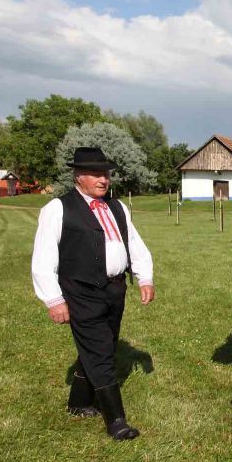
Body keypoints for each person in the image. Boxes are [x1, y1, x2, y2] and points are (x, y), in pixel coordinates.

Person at [31, 147, 154, 440]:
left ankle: (78, 402)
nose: (104, 180)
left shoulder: (118, 207)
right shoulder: (58, 209)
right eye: (96, 174)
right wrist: (53, 298)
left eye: (106, 174)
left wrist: (144, 276)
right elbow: (43, 257)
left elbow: (133, 243)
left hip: (115, 289)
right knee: (100, 353)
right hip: (80, 291)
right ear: (78, 176)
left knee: (105, 346)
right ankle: (116, 420)